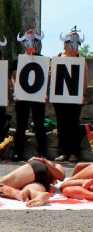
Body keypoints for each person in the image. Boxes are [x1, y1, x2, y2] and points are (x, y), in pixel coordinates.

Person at [53, 26, 88, 162]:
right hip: (60, 98)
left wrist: (82, 94)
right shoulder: (57, 58)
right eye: (71, 43)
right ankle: (64, 152)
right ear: (65, 44)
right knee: (61, 125)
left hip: (74, 97)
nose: (75, 46)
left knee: (73, 124)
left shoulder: (81, 60)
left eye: (77, 43)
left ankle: (74, 152)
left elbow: (84, 79)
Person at [11, 28, 47, 161]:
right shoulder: (17, 60)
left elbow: (45, 79)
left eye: (33, 41)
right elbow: (14, 78)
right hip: (22, 96)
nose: (31, 43)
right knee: (21, 125)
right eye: (27, 41)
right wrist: (16, 90)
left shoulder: (42, 60)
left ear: (37, 43)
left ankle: (42, 152)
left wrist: (45, 93)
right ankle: (17, 152)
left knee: (39, 124)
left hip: (38, 96)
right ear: (24, 43)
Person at [0, 157, 65, 207]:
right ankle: (39, 195)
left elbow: (61, 176)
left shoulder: (46, 162)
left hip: (37, 167)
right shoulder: (56, 165)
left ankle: (15, 193)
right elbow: (61, 177)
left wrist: (44, 162)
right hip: (43, 181)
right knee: (29, 191)